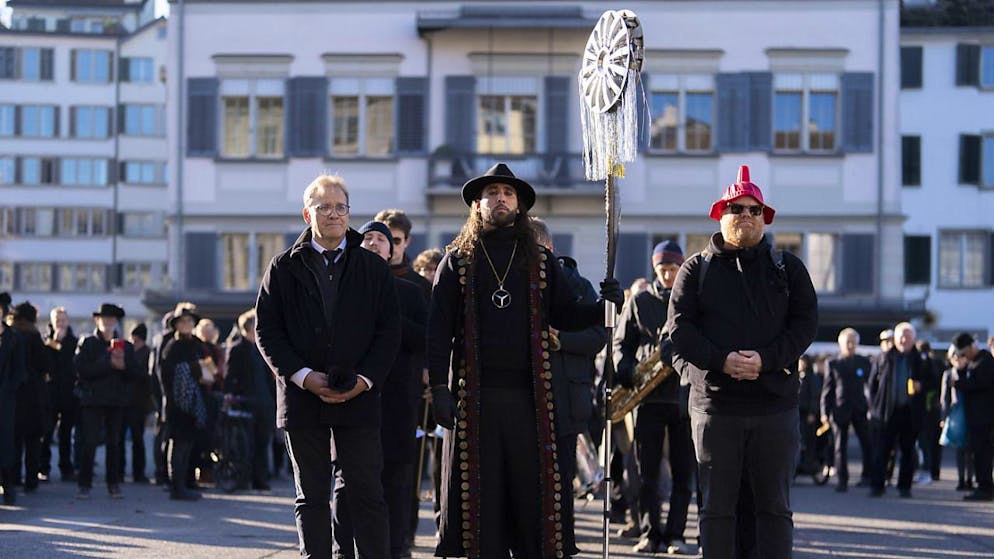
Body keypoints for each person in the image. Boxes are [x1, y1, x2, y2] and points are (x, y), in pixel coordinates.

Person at [427, 162, 623, 559]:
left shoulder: (542, 261)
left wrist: (605, 305)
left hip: (531, 404)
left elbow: (569, 313)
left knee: (532, 499)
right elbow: (438, 332)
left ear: (519, 206)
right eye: (492, 192)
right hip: (475, 404)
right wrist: (438, 389)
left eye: (508, 193)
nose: (500, 198)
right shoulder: (456, 262)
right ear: (477, 204)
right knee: (483, 501)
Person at [667, 165, 818, 559]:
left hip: (774, 407)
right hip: (716, 407)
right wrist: (722, 361)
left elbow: (805, 326)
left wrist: (766, 360)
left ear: (764, 218)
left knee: (773, 509)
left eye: (754, 209)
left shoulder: (788, 268)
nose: (746, 215)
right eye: (737, 208)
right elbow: (679, 332)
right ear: (721, 214)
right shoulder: (695, 269)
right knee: (716, 509)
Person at [255, 174, 400, 559]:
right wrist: (303, 376)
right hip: (302, 400)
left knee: (367, 493)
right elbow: (266, 331)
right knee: (312, 497)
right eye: (324, 207)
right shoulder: (282, 267)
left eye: (341, 207)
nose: (334, 214)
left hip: (360, 396)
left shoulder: (372, 267)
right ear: (307, 214)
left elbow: (390, 331)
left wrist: (365, 380)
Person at [333, 220, 428, 559]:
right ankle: (344, 550)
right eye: (367, 238)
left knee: (396, 480)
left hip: (398, 401)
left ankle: (396, 548)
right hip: (352, 399)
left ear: (392, 251)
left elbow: (426, 340)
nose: (373, 243)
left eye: (381, 240)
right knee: (347, 480)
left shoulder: (411, 293)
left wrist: (389, 317)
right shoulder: (342, 287)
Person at [613, 240, 694, 555]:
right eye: (663, 269)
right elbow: (622, 343)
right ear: (655, 268)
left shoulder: (692, 301)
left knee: (684, 474)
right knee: (646, 473)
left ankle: (676, 535)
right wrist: (626, 370)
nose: (669, 275)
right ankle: (649, 533)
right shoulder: (639, 301)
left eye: (674, 269)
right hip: (648, 398)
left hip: (685, 399)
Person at [533, 217, 608, 557]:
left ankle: (562, 545)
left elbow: (597, 336)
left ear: (549, 249)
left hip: (566, 398)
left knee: (561, 481)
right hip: (526, 399)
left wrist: (561, 340)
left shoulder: (577, 286)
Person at [74, 303, 141, 499]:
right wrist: (107, 361)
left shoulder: (126, 346)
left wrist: (123, 366)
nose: (109, 323)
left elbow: (135, 374)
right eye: (105, 319)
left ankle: (113, 483)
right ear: (97, 320)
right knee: (90, 442)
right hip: (93, 400)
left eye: (112, 319)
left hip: (116, 401)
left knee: (115, 443)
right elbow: (82, 371)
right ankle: (84, 484)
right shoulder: (87, 343)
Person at [866, 322, 931, 498]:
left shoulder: (920, 360)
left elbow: (932, 383)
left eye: (908, 337)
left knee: (908, 452)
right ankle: (877, 484)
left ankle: (904, 486)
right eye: (901, 337)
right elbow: (871, 385)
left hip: (909, 413)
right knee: (882, 450)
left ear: (913, 340)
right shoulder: (883, 358)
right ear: (895, 339)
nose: (903, 340)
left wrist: (921, 386)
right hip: (887, 411)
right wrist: (874, 406)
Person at [161, 303, 210, 501]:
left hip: (195, 402)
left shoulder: (197, 344)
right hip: (177, 403)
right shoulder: (172, 346)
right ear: (176, 324)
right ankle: (176, 486)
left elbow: (208, 369)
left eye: (189, 321)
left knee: (189, 444)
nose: (186, 324)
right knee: (178, 445)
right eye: (183, 321)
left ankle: (187, 482)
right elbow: (165, 375)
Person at [224, 308, 276, 491]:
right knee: (248, 443)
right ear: (247, 328)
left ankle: (260, 479)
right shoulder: (237, 348)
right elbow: (230, 375)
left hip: (265, 401)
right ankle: (247, 478)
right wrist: (229, 394)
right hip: (246, 401)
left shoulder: (262, 349)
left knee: (263, 442)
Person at [820, 327, 873, 492]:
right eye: (847, 342)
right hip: (840, 409)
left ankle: (867, 476)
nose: (850, 345)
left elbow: (871, 386)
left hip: (860, 408)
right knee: (839, 446)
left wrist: (872, 407)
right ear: (841, 344)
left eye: (853, 342)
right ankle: (842, 480)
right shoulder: (833, 363)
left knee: (867, 443)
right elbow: (827, 390)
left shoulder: (864, 362)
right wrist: (824, 413)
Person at [8, 302, 52, 493]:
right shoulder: (34, 337)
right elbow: (45, 365)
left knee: (14, 440)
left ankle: (14, 477)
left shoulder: (10, 337)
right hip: (34, 396)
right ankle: (31, 479)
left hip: (14, 395)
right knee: (33, 441)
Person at [949, 332, 994, 501]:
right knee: (977, 453)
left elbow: (980, 384)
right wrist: (960, 372)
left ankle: (985, 487)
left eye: (963, 353)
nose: (963, 356)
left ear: (971, 347)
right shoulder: (972, 363)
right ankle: (982, 484)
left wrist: (959, 382)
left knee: (984, 453)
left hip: (985, 418)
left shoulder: (986, 361)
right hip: (974, 417)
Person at [43, 306, 79, 482]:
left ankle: (66, 468)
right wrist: (53, 345)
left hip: (69, 394)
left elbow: (73, 366)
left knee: (66, 433)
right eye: (57, 320)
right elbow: (45, 365)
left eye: (63, 320)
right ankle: (43, 468)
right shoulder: (45, 342)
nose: (60, 323)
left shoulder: (74, 342)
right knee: (47, 432)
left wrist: (62, 346)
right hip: (50, 394)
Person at [0, 293, 27, 504]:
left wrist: (8, 390)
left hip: (5, 400)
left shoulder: (14, 338)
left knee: (5, 443)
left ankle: (8, 485)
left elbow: (20, 371)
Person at [375, 209, 432, 301]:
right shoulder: (363, 279)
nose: (391, 246)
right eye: (384, 239)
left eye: (396, 240)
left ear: (407, 241)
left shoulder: (422, 286)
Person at [120, 323, 152, 483]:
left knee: (137, 439)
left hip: (138, 401)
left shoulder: (146, 353)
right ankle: (122, 470)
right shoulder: (130, 351)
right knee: (121, 438)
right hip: (128, 400)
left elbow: (146, 376)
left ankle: (138, 472)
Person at [941, 346, 974, 491]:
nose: (957, 359)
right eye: (954, 356)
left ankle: (970, 479)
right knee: (960, 449)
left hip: (971, 412)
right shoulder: (948, 374)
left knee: (971, 449)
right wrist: (943, 416)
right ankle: (961, 479)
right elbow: (944, 398)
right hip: (956, 413)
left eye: (960, 356)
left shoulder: (971, 372)